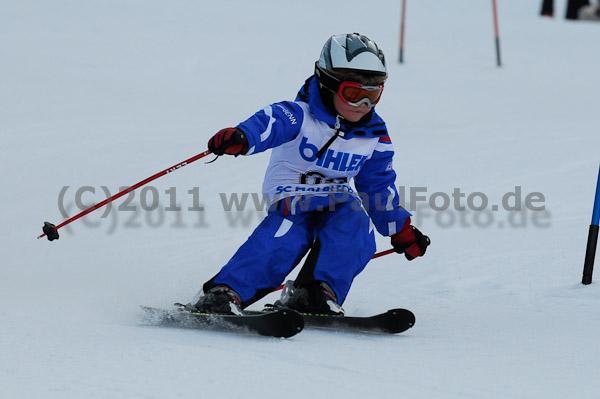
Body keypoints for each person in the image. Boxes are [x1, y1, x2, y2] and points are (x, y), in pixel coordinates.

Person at [190, 33, 431, 316]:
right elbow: (270, 122)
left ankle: (316, 292)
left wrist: (400, 229)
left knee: (356, 226)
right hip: (293, 195)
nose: (364, 105)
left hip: (338, 200)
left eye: (373, 94)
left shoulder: (374, 135)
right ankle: (224, 293)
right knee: (287, 237)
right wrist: (243, 137)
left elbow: (377, 185)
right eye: (353, 94)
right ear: (328, 84)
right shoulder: (299, 115)